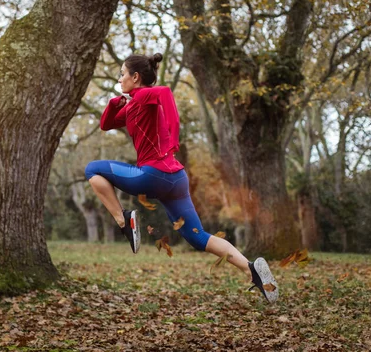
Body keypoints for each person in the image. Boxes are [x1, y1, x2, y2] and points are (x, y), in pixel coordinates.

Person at [84, 53, 279, 303]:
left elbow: (165, 93)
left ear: (136, 77)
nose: (119, 79)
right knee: (198, 236)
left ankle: (124, 221)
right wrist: (115, 103)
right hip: (176, 179)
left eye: (122, 74)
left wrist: (174, 136)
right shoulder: (133, 104)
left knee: (92, 170)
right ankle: (252, 271)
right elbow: (106, 124)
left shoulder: (144, 95)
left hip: (154, 174)